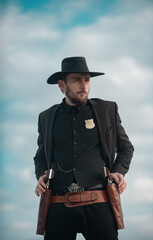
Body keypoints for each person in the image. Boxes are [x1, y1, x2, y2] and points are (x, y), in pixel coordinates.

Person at [34, 56, 134, 240]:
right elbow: (40, 157)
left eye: (87, 79)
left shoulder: (107, 110)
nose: (84, 85)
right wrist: (41, 174)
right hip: (58, 204)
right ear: (61, 85)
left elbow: (126, 148)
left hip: (99, 202)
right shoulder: (46, 117)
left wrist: (119, 171)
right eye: (77, 80)